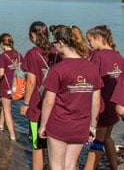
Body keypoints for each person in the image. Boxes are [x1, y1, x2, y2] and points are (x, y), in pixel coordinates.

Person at [38, 25, 102, 170]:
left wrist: (42, 125)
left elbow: (48, 101)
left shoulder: (57, 69)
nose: (55, 48)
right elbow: (96, 102)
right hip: (81, 124)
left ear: (61, 43)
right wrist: (92, 126)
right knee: (71, 165)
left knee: (56, 165)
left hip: (59, 123)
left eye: (55, 43)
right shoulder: (92, 68)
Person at [84, 25, 124, 170]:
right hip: (115, 105)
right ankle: (114, 166)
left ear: (99, 38)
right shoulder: (118, 55)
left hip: (102, 106)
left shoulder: (98, 56)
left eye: (90, 41)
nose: (89, 45)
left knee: (97, 141)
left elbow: (90, 79)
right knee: (107, 137)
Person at [20, 21, 52, 170]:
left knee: (37, 145)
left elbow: (31, 81)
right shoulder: (57, 51)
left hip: (38, 105)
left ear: (33, 35)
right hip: (56, 105)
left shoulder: (32, 54)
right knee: (54, 145)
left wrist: (25, 104)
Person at [0, 33, 24, 141]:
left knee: (7, 109)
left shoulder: (2, 56)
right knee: (6, 106)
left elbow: (1, 73)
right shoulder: (19, 54)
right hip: (18, 85)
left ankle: (12, 136)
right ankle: (1, 124)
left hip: (7, 86)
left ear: (2, 44)